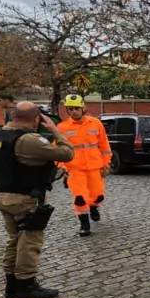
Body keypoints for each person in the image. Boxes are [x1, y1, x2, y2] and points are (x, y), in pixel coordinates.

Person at [0, 101, 75, 298]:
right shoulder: (29, 140)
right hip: (25, 199)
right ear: (36, 119)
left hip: (4, 196)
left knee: (14, 240)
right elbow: (67, 153)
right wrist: (54, 129)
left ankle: (12, 286)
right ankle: (26, 286)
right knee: (29, 241)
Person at [57, 94, 111, 237]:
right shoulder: (62, 127)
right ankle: (84, 224)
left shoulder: (95, 123)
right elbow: (57, 149)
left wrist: (106, 163)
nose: (74, 111)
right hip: (74, 168)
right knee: (80, 197)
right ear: (67, 110)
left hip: (95, 166)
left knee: (98, 195)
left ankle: (94, 207)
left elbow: (104, 145)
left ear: (83, 108)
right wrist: (61, 165)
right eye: (71, 109)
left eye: (76, 108)